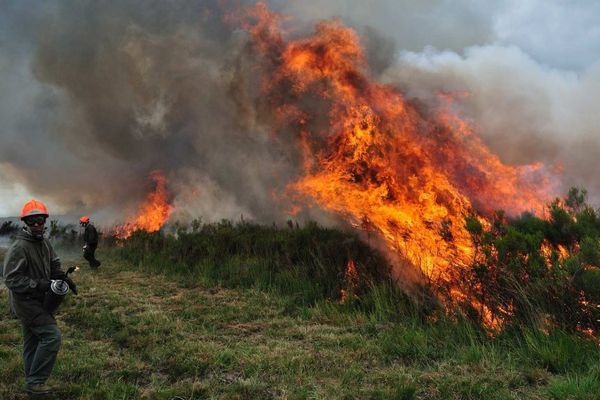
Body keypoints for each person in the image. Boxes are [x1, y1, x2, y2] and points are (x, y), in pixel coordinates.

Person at [2, 200, 77, 395]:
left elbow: (54, 263)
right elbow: (11, 279)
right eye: (32, 221)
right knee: (51, 336)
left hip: (39, 300)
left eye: (40, 221)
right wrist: (39, 284)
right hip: (26, 303)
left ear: (44, 221)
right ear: (25, 223)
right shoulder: (19, 247)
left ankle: (31, 379)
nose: (36, 225)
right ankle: (35, 383)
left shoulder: (44, 242)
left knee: (32, 342)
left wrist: (62, 277)